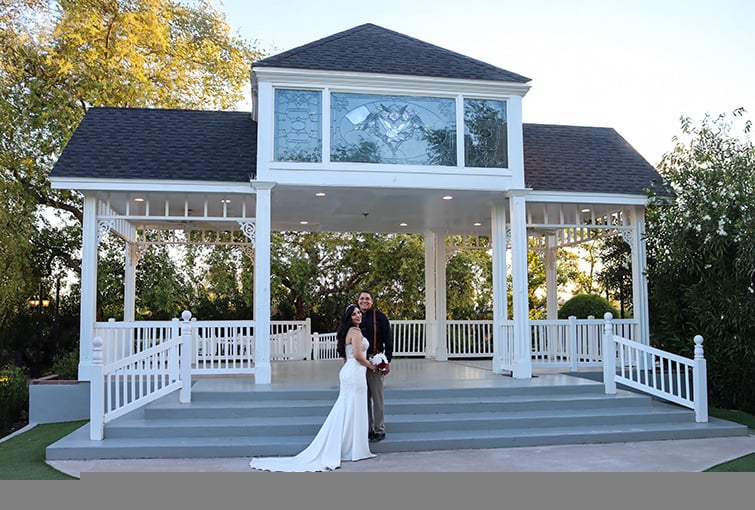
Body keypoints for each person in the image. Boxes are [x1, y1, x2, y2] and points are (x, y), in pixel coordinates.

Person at [249, 304, 377, 472]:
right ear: (349, 318)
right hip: (355, 373)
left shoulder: (348, 332)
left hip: (350, 372)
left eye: (359, 313)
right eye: (354, 314)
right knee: (352, 408)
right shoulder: (356, 332)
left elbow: (348, 355)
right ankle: (351, 448)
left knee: (349, 408)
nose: (358, 315)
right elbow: (359, 355)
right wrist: (372, 366)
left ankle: (350, 446)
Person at [357, 290, 392, 443]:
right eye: (361, 298)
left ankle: (379, 429)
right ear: (358, 301)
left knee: (377, 398)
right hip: (358, 363)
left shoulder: (380, 317)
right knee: (363, 398)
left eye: (367, 299)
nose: (364, 301)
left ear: (372, 301)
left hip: (375, 361)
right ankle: (368, 428)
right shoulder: (354, 316)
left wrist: (387, 361)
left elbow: (388, 341)